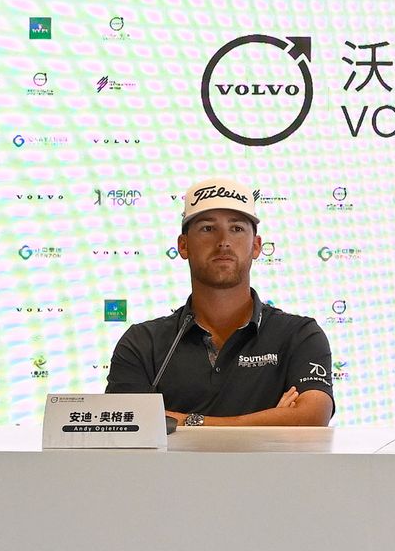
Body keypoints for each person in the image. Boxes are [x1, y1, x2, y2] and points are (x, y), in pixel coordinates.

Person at [106, 178, 334, 427]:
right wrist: (273, 421)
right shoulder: (142, 342)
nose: (223, 241)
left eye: (237, 228)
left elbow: (312, 417)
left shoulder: (299, 335)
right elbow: (126, 425)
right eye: (207, 228)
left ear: (256, 246)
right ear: (183, 246)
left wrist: (181, 421)